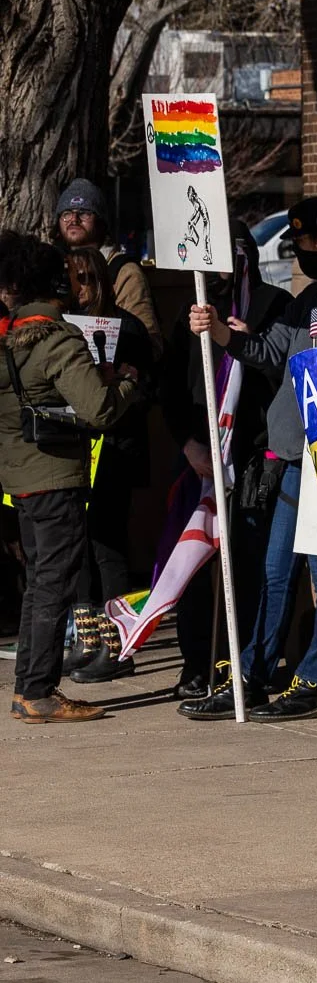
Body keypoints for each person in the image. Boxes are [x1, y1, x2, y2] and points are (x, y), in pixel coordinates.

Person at [179, 197, 317, 721]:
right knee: (277, 571)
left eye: (301, 243)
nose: (297, 253)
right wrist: (222, 333)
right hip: (297, 455)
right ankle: (251, 674)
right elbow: (276, 351)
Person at [0, 237, 141, 723]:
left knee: (38, 584)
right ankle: (39, 692)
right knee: (54, 585)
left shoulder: (8, 337)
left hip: (19, 479)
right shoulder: (56, 338)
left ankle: (27, 689)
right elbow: (99, 409)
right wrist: (126, 381)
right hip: (56, 477)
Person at [162, 220, 292, 699]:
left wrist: (244, 338)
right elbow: (172, 389)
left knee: (248, 562)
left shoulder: (273, 305)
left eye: (228, 257)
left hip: (253, 452)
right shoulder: (191, 311)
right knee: (196, 562)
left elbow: (279, 369)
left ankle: (239, 661)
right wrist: (188, 444)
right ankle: (196, 662)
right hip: (201, 453)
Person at [53, 246, 154, 683]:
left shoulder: (127, 327)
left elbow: (150, 386)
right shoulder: (63, 326)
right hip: (75, 443)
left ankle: (116, 646)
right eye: (72, 280)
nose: (80, 289)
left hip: (115, 445)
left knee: (108, 544)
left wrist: (124, 380)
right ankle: (88, 639)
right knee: (78, 542)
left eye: (86, 279)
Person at [53, 179, 163, 358]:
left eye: (84, 213)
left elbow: (150, 344)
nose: (74, 219)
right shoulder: (54, 268)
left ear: (101, 221)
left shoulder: (124, 271)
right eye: (66, 213)